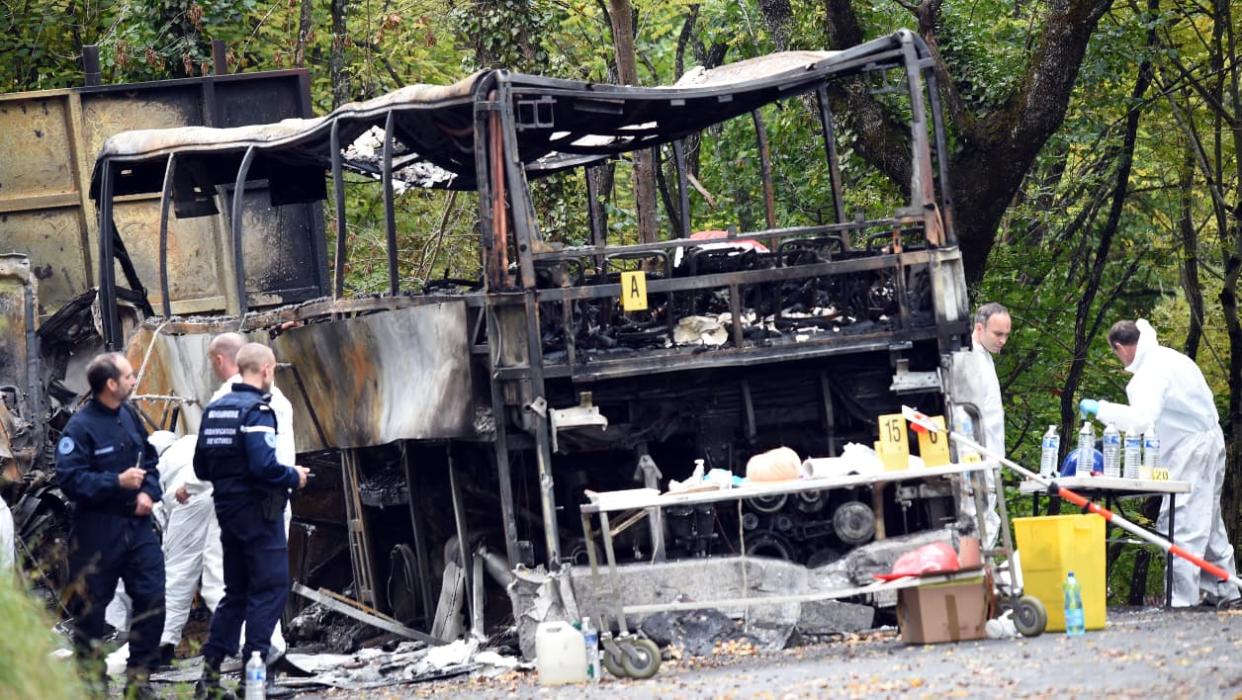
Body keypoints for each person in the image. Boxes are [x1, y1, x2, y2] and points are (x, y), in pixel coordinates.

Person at [1081, 319, 1240, 608]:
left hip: (1193, 449)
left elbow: (1142, 420)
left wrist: (1101, 409)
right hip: (1205, 443)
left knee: (1181, 522)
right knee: (1208, 520)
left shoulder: (1150, 372)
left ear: (1119, 348)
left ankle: (1181, 601)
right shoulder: (1170, 358)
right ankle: (1226, 590)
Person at [193, 343, 308, 698]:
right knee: (270, 588)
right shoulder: (258, 410)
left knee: (236, 593)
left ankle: (208, 679)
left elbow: (200, 467)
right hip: (260, 512)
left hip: (227, 513)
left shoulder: (214, 411)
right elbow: (263, 466)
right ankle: (254, 679)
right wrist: (294, 476)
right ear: (267, 369)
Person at [55, 352, 164, 698]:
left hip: (138, 526)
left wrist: (149, 492)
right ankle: (91, 682)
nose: (134, 381)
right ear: (111, 384)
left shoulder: (129, 415)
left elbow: (149, 459)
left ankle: (140, 677)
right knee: (90, 610)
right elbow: (70, 480)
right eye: (129, 376)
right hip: (98, 530)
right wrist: (115, 482)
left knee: (152, 597)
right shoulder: (80, 428)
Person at [952, 303, 1011, 549]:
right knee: (979, 527)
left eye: (1007, 335)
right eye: (998, 334)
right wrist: (972, 463)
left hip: (990, 457)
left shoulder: (986, 358)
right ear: (979, 327)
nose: (1003, 341)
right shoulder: (970, 360)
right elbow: (964, 416)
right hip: (978, 460)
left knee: (986, 523)